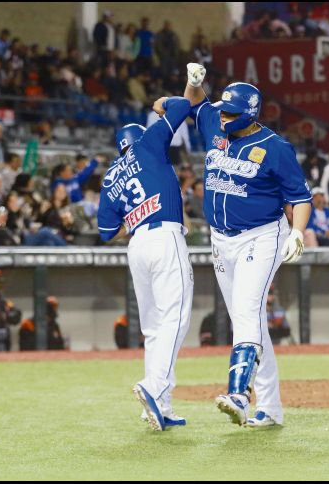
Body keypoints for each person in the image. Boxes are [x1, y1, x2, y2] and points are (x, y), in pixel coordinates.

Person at [184, 64, 312, 428]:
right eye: (222, 110)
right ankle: (270, 409)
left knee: (246, 309)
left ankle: (239, 393)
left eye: (231, 113)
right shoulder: (216, 122)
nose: (223, 117)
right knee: (249, 319)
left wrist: (298, 232)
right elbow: (195, 103)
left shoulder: (275, 148)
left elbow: (300, 197)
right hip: (220, 238)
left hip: (261, 235)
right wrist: (194, 83)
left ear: (251, 114)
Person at [98, 95, 194, 432]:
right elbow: (183, 107)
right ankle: (154, 387)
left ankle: (159, 406)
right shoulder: (147, 143)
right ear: (137, 137)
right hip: (165, 238)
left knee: (153, 327)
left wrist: (137, 215)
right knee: (176, 318)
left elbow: (107, 230)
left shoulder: (111, 175)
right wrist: (163, 102)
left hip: (137, 244)